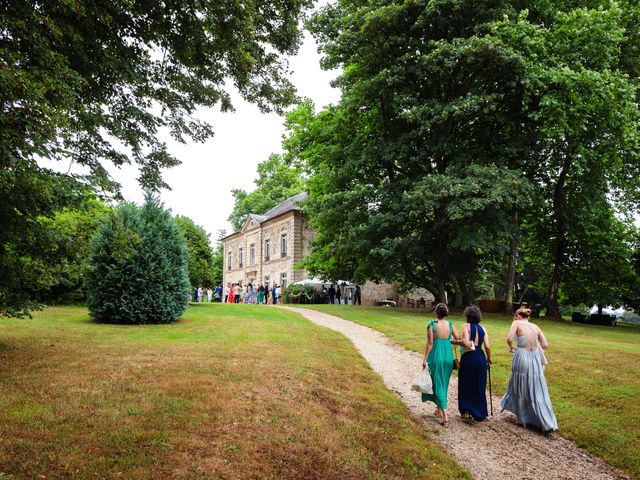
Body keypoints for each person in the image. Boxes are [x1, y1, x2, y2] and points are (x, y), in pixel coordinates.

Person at [500, 307, 558, 432]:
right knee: (535, 385)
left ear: (518, 316)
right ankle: (542, 419)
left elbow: (509, 339)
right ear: (528, 317)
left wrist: (511, 347)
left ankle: (522, 417)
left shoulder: (516, 323)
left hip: (522, 355)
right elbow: (545, 345)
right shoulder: (536, 326)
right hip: (535, 357)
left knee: (520, 385)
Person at [421, 303, 460, 427]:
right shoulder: (450, 324)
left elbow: (430, 343)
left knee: (437, 384)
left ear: (436, 312)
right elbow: (458, 338)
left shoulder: (431, 324)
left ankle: (445, 416)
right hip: (448, 357)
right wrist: (448, 342)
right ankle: (438, 409)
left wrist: (424, 359)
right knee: (443, 382)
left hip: (436, 357)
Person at [456, 305, 492, 422]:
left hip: (469, 357)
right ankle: (480, 411)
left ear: (467, 316)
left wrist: (455, 342)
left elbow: (466, 343)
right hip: (480, 357)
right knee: (479, 384)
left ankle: (466, 410)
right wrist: (488, 358)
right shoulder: (483, 328)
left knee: (466, 383)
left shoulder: (465, 326)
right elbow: (487, 346)